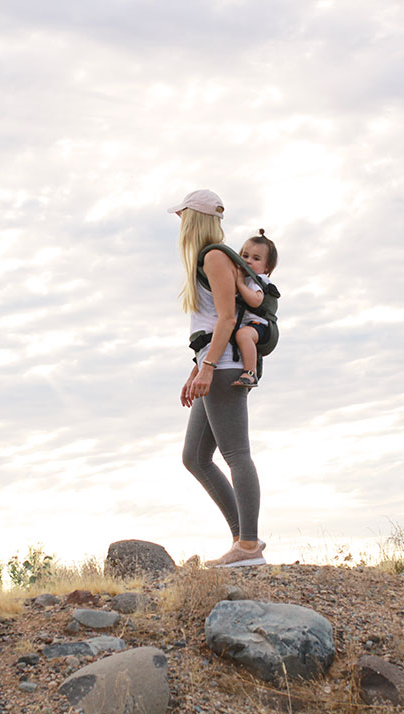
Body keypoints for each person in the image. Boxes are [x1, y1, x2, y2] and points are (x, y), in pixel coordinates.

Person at [170, 189, 266, 568]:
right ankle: (242, 541)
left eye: (183, 217)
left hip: (223, 367)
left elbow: (228, 318)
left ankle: (248, 546)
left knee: (236, 454)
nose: (180, 224)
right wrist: (197, 366)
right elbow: (213, 325)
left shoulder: (213, 257)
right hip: (213, 362)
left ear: (195, 220)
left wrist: (208, 367)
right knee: (194, 457)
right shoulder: (208, 259)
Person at [231, 229, 278, 389]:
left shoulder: (258, 280)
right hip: (250, 325)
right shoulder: (247, 278)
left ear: (267, 267)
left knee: (243, 334)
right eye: (245, 256)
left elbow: (256, 301)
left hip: (260, 326)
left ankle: (250, 373)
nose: (249, 261)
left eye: (256, 258)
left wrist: (240, 284)